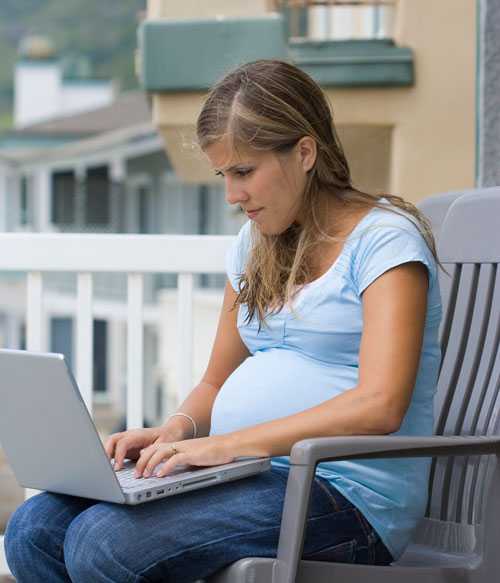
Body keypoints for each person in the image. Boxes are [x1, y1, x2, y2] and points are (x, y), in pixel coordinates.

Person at [4, 59, 443, 582]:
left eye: (244, 172)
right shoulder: (254, 245)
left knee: (104, 545)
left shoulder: (385, 242)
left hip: (345, 496)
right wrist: (174, 432)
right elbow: (216, 380)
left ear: (304, 153)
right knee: (36, 527)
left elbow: (380, 405)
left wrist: (226, 445)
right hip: (247, 475)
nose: (233, 196)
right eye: (224, 175)